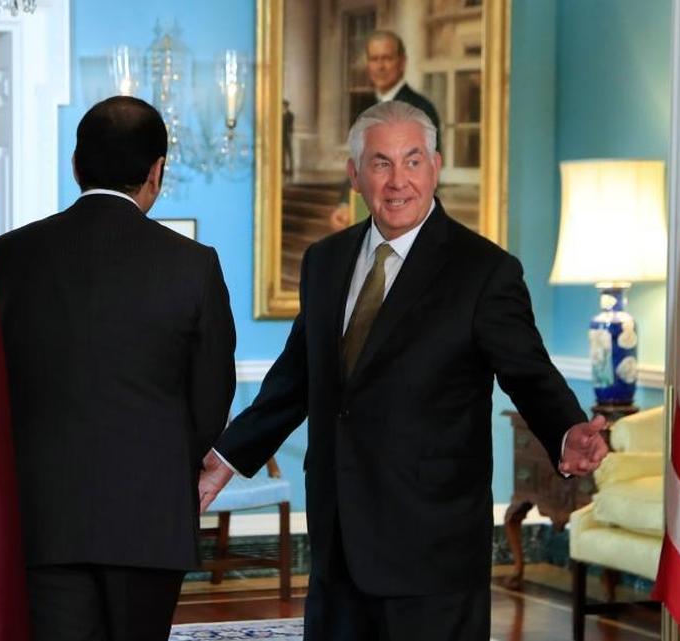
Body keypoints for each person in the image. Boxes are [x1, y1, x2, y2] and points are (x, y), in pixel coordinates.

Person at [198, 101, 607, 641]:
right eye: (381, 163)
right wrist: (226, 457)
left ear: (435, 167)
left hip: (432, 550)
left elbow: (528, 372)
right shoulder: (324, 261)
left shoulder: (484, 271)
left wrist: (565, 430)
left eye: (412, 161)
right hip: (338, 542)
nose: (398, 181)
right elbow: (296, 379)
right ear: (355, 175)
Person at [0, 96, 237, 641]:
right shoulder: (194, 266)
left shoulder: (4, 258)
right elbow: (211, 397)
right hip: (148, 521)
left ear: (75, 165)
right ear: (156, 172)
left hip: (41, 517)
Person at [332, 30, 443, 231]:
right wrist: (345, 204)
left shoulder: (421, 109)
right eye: (374, 59)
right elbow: (358, 163)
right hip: (368, 221)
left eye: (387, 58)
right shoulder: (364, 110)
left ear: (402, 62)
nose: (380, 66)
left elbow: (427, 177)